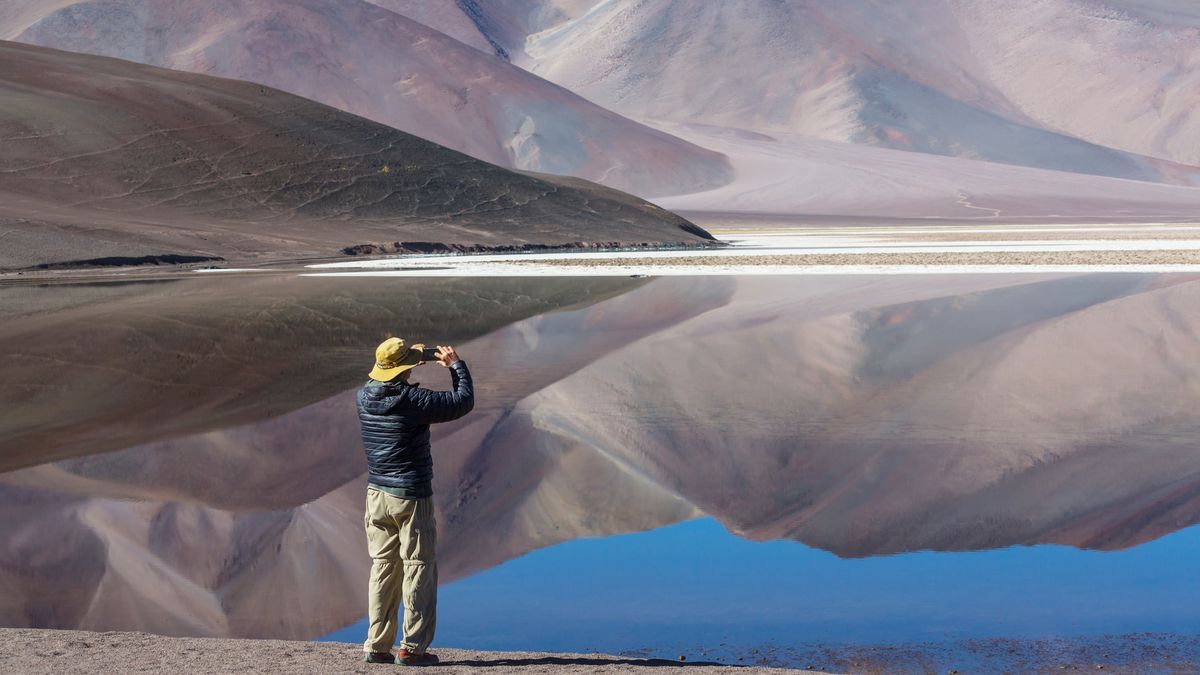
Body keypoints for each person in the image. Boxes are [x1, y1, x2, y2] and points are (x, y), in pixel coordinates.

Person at [357, 337, 474, 666]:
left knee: (383, 568)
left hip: (376, 495)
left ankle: (377, 646)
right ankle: (412, 647)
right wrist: (455, 366)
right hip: (410, 496)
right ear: (403, 370)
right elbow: (462, 401)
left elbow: (390, 382)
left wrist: (410, 360)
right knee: (418, 568)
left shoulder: (363, 396)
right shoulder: (413, 400)